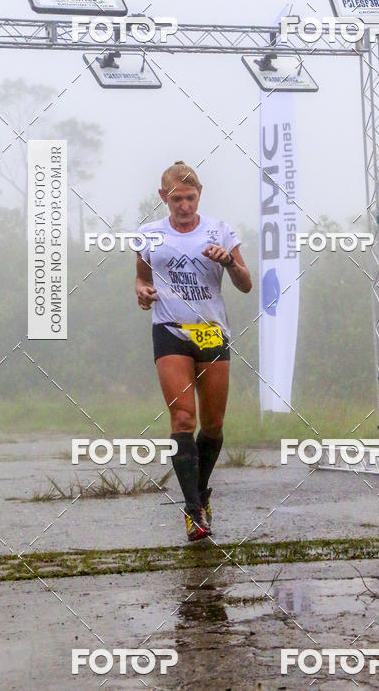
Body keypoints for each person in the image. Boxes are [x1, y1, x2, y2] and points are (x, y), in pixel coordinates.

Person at [136, 161, 252, 542]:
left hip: (210, 333)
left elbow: (246, 284)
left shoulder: (219, 230)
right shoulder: (149, 234)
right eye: (176, 199)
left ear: (199, 194)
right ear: (163, 197)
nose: (183, 206)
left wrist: (230, 261)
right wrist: (142, 291)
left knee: (213, 424)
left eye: (190, 198)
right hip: (170, 331)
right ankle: (193, 511)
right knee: (183, 419)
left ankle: (200, 491)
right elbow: (141, 276)